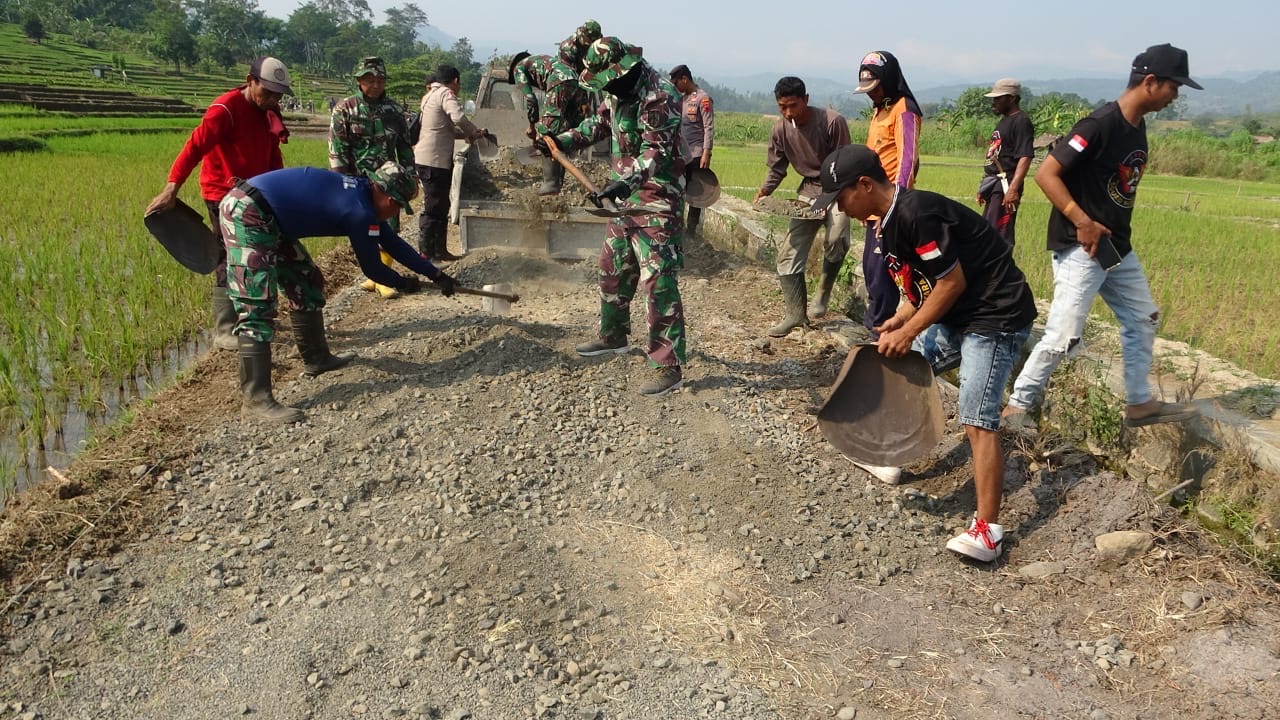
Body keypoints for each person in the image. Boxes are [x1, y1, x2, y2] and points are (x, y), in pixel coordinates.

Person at [812, 144, 1038, 562]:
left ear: (863, 185)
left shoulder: (918, 214)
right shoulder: (889, 222)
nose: (839, 207)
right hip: (961, 313)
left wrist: (913, 328)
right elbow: (926, 285)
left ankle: (989, 532)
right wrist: (903, 318)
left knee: (976, 416)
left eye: (840, 198)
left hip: (996, 315)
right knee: (900, 365)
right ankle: (888, 457)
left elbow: (951, 284)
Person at [1003, 44, 1202, 431]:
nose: (1175, 96)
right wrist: (1082, 221)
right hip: (1082, 247)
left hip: (1115, 248)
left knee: (1143, 318)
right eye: (1174, 87)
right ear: (1150, 82)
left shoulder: (1136, 126)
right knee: (1064, 336)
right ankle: (1017, 406)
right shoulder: (1099, 125)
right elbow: (1047, 174)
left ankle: (1139, 404)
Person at [219, 161, 457, 423]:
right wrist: (403, 282)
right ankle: (256, 401)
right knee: (257, 304)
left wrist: (435, 274)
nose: (396, 211)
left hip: (273, 219)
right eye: (396, 204)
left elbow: (392, 243)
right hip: (248, 212)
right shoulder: (358, 210)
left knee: (306, 282)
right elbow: (373, 270)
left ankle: (317, 359)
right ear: (384, 193)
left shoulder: (362, 196)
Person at [551, 37, 688, 398]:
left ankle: (668, 365)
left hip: (656, 201)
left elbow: (655, 152)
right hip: (623, 199)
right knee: (612, 268)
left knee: (658, 281)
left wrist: (619, 183)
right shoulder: (615, 93)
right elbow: (595, 127)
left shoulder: (660, 96)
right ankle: (613, 336)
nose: (607, 88)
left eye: (610, 81)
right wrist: (559, 141)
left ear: (626, 71)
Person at [145, 57, 291, 352]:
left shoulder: (269, 110)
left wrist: (278, 189)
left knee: (261, 253)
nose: (273, 98)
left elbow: (273, 153)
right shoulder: (225, 109)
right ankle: (225, 328)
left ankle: (253, 313)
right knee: (228, 256)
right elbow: (194, 146)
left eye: (279, 94)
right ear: (250, 81)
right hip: (222, 193)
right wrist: (171, 188)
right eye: (268, 91)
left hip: (257, 193)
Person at [753, 76, 851, 336]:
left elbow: (844, 166)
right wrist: (764, 191)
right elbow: (777, 168)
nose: (788, 112)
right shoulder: (780, 130)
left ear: (806, 100)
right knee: (789, 252)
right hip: (808, 190)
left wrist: (826, 202)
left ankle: (823, 291)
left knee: (837, 235)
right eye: (782, 107)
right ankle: (795, 315)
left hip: (838, 189)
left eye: (793, 106)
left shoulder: (832, 122)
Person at [330, 56, 416, 300]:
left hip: (388, 183)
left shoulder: (395, 111)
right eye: (370, 80)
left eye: (380, 80)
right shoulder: (345, 110)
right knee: (363, 229)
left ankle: (381, 276)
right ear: (359, 81)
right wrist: (340, 185)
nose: (376, 85)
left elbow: (405, 147)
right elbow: (337, 149)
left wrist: (411, 177)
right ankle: (374, 276)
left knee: (389, 227)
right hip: (357, 182)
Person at [852, 50, 922, 336]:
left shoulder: (904, 109)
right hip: (873, 206)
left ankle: (880, 335)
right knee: (871, 270)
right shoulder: (879, 109)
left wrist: (894, 207)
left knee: (883, 276)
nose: (871, 94)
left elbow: (907, 160)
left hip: (890, 207)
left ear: (889, 80)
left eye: (875, 88)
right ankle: (876, 331)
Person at [414, 64, 488, 263]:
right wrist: (473, 132)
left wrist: (466, 134)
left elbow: (441, 129)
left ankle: (440, 251)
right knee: (433, 206)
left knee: (441, 205)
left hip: (428, 158)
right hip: (434, 160)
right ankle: (427, 256)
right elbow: (458, 117)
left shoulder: (430, 94)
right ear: (455, 81)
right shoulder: (446, 94)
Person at [509, 47, 590, 195]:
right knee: (563, 135)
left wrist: (533, 127)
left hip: (560, 83)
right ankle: (558, 181)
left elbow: (531, 99)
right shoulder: (544, 62)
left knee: (547, 131)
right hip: (577, 82)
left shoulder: (518, 69)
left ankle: (550, 183)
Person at [977, 78, 1034, 245]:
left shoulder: (1021, 121)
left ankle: (1002, 270)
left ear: (1012, 98)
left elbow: (1025, 156)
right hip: (994, 185)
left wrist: (1013, 189)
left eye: (998, 98)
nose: (994, 102)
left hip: (1005, 187)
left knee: (999, 235)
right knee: (988, 231)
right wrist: (984, 186)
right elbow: (995, 155)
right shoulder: (1004, 121)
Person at [670, 64, 714, 239]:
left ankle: (691, 230)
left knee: (696, 194)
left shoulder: (703, 99)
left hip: (696, 154)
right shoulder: (681, 99)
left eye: (677, 83)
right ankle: (677, 225)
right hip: (681, 154)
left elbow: (708, 127)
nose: (675, 87)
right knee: (678, 190)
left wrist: (706, 152)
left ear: (684, 79)